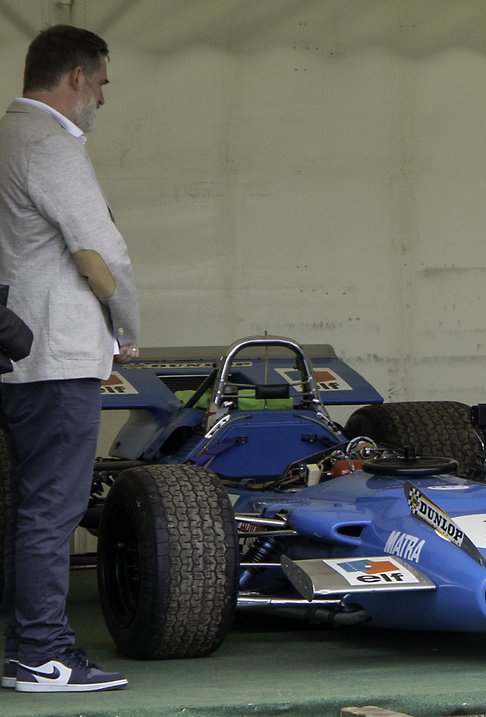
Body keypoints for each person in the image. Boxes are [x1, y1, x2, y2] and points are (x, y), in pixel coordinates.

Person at [0, 25, 139, 693]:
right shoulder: (48, 142)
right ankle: (42, 654)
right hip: (55, 354)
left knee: (28, 505)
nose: (103, 99)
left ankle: (24, 648)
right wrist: (128, 319)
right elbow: (98, 252)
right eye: (103, 83)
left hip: (17, 348)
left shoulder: (6, 136)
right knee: (52, 509)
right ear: (77, 77)